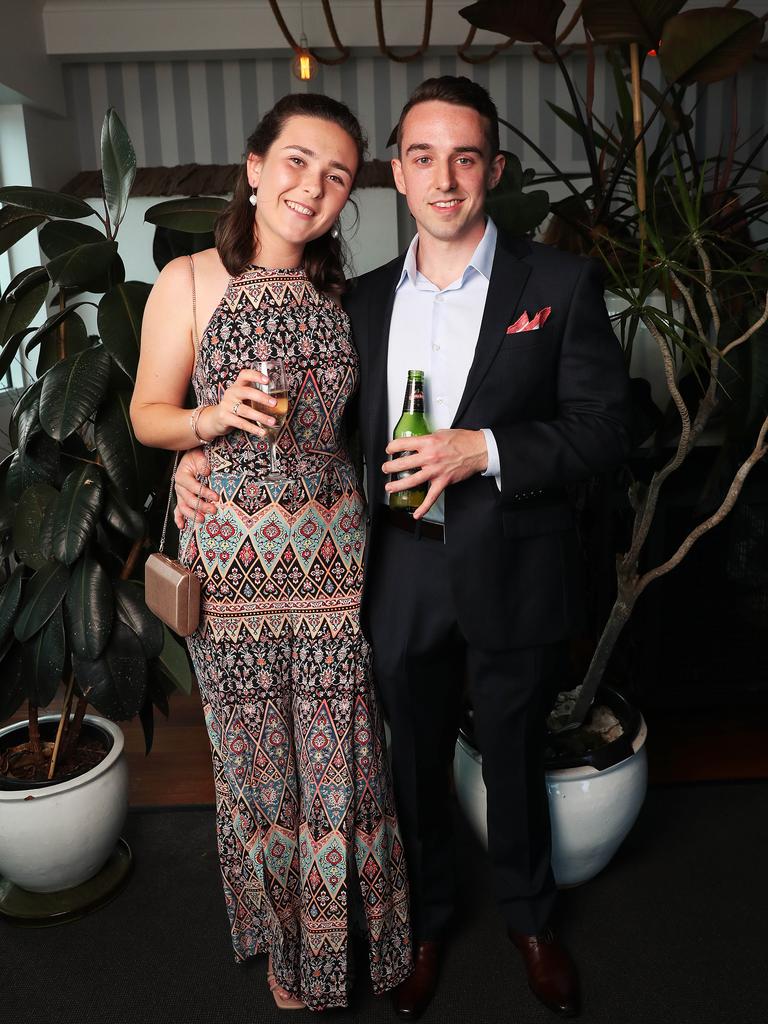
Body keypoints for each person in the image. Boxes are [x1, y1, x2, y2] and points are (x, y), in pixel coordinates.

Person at [174, 77, 631, 1019]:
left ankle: (531, 922)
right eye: (423, 157)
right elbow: (308, 430)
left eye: (466, 157)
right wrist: (192, 460)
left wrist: (487, 448)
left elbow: (606, 430)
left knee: (512, 753)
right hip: (398, 564)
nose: (446, 178)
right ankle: (424, 924)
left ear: (493, 170)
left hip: (512, 557)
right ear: (397, 173)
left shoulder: (559, 283)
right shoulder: (359, 296)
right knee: (409, 759)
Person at [130, 92, 412, 1012]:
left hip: (334, 562)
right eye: (296, 161)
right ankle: (291, 957)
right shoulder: (190, 279)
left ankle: (345, 950)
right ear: (254, 168)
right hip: (234, 572)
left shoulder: (350, 292)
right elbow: (146, 414)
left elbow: (362, 427)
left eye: (336, 175)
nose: (313, 187)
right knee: (260, 766)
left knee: (342, 763)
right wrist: (201, 430)